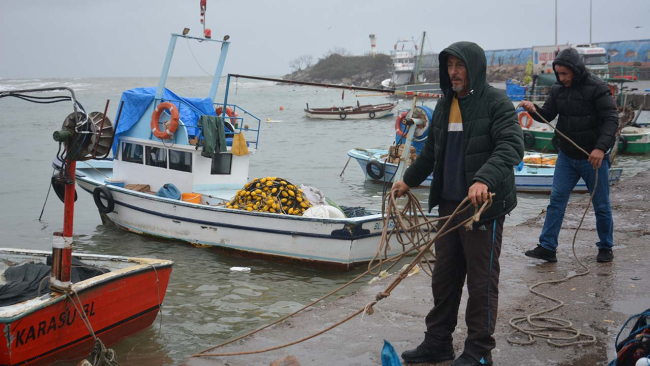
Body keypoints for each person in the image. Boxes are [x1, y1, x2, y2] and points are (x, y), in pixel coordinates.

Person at [394, 41, 524, 366]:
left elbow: (512, 146)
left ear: (474, 67)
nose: (454, 72)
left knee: (481, 284)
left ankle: (480, 351)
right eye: (450, 65)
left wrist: (484, 179)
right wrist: (407, 180)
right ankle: (438, 342)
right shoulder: (444, 105)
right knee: (445, 278)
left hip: (483, 209)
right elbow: (430, 154)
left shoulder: (496, 103)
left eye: (460, 65)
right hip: (448, 207)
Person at [521, 48, 618, 263]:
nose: (561, 78)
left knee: (601, 204)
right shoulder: (557, 89)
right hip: (566, 156)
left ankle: (605, 246)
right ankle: (547, 246)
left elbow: (611, 119)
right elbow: (547, 114)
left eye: (565, 73)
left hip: (593, 158)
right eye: (558, 74)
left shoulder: (598, 88)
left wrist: (600, 148)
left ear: (575, 70)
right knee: (556, 200)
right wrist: (532, 108)